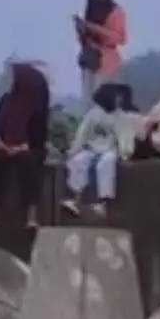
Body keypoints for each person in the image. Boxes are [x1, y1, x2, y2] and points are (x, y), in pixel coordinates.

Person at [0, 62, 50, 228]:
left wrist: (21, 147)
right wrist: (2, 144)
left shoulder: (37, 104)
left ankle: (31, 214)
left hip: (29, 147)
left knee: (29, 164)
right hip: (5, 145)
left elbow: (39, 136)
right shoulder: (6, 101)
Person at [61, 83, 135, 219]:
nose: (120, 99)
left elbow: (125, 136)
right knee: (78, 161)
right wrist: (73, 150)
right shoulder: (93, 114)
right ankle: (76, 199)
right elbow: (82, 134)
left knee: (105, 164)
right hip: (92, 148)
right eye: (117, 96)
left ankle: (103, 203)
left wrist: (125, 154)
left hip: (110, 150)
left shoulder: (121, 116)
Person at [75, 0, 127, 99]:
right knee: (87, 101)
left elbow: (121, 38)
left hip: (107, 61)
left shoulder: (116, 11)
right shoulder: (89, 10)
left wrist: (94, 28)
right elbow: (84, 39)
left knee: (102, 102)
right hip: (89, 60)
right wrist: (81, 30)